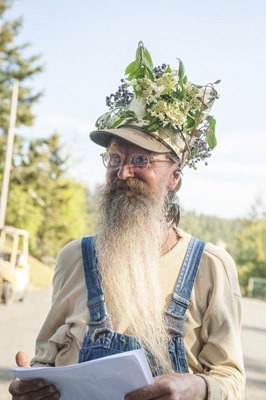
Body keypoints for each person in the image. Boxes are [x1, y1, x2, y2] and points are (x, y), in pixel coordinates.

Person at [9, 42, 245, 400]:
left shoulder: (210, 267)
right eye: (115, 158)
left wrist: (197, 387)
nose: (123, 173)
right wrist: (33, 385)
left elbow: (229, 377)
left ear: (175, 177)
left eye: (140, 159)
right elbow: (45, 362)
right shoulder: (74, 258)